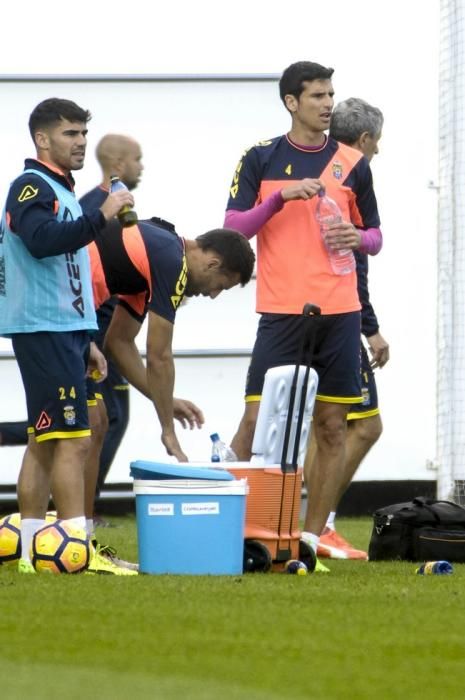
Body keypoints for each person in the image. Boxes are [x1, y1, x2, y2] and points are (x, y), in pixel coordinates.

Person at [224, 61, 382, 572]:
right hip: (281, 313)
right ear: (291, 102)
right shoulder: (259, 158)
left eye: (330, 94)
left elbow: (376, 237)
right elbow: (234, 229)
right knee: (254, 421)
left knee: (333, 426)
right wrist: (278, 198)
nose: (327, 103)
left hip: (339, 314)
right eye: (316, 95)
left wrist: (357, 238)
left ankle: (311, 539)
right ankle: (228, 528)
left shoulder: (353, 162)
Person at [0, 97, 135, 574]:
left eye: (82, 133)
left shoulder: (59, 187)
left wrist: (88, 338)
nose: (80, 142)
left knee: (45, 439)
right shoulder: (31, 186)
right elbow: (40, 243)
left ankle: (32, 550)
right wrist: (101, 216)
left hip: (64, 331)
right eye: (69, 134)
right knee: (74, 439)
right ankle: (77, 550)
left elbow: (67, 272)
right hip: (44, 329)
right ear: (42, 139)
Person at [306, 97, 390, 560]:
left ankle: (309, 526)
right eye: (377, 143)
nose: (378, 152)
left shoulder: (309, 169)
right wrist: (371, 329)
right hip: (340, 317)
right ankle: (324, 525)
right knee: (365, 426)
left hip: (301, 313)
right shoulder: (351, 175)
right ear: (362, 141)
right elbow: (352, 263)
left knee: (327, 424)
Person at [79, 133, 144, 518]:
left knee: (109, 417)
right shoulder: (96, 210)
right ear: (117, 165)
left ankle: (87, 506)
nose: (142, 166)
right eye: (138, 159)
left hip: (107, 322)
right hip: (99, 328)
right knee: (103, 418)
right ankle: (83, 509)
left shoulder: (117, 207)